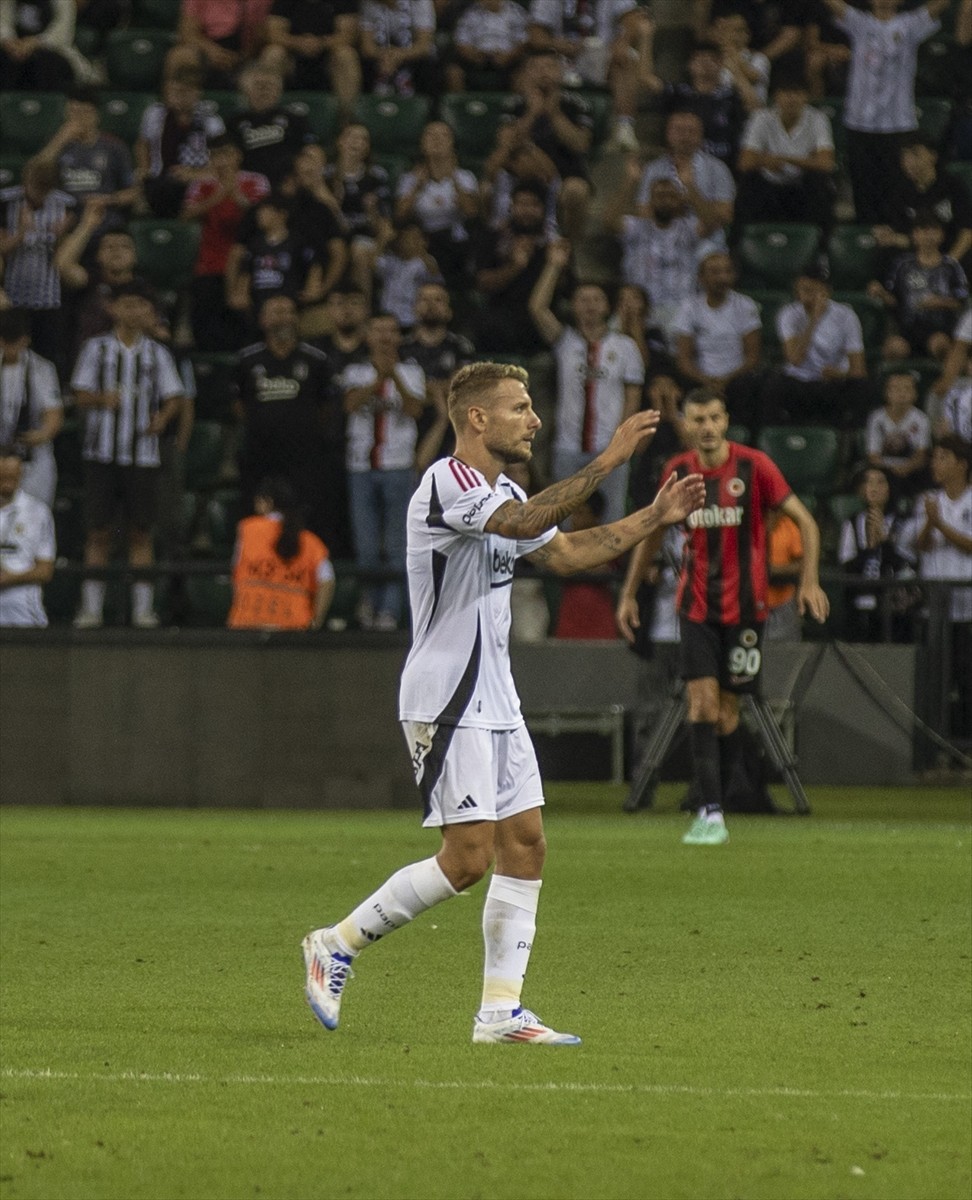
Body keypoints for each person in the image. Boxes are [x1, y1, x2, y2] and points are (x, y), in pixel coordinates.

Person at [301, 360, 706, 1042]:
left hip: (497, 696)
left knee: (526, 844)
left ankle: (499, 1012)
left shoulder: (501, 487)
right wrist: (608, 459)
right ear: (478, 419)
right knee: (465, 859)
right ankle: (337, 943)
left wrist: (656, 516)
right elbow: (521, 526)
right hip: (447, 694)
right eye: (520, 407)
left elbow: (570, 552)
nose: (535, 419)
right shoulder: (447, 483)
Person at [616, 388, 829, 845]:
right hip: (695, 608)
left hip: (748, 612)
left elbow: (807, 523)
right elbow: (653, 532)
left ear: (726, 420)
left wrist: (808, 582)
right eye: (698, 419)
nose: (707, 427)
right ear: (688, 424)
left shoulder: (755, 467)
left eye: (714, 417)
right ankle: (711, 812)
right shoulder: (678, 472)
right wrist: (630, 593)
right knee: (702, 704)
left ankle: (733, 794)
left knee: (728, 711)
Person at [70, 283, 187, 630]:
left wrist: (163, 418)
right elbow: (79, 394)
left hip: (143, 456)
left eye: (141, 305)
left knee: (141, 533)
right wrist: (101, 400)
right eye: (128, 304)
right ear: (114, 309)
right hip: (102, 454)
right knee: (98, 533)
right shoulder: (96, 349)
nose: (134, 311)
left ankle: (143, 610)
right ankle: (91, 609)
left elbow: (175, 396)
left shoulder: (157, 353)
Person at [529, 240, 645, 524]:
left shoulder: (626, 346)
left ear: (608, 306)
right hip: (567, 447)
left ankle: (610, 570)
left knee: (612, 518)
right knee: (563, 521)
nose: (590, 306)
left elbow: (632, 398)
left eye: (596, 300)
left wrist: (621, 442)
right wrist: (554, 266)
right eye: (582, 300)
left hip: (609, 447)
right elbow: (537, 307)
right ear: (574, 306)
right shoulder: (565, 341)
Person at [820, 0, 949, 223]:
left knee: (897, 192)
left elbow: (938, 7)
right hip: (860, 122)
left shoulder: (910, 24)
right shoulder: (859, 22)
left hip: (898, 123)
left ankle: (895, 241)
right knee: (864, 191)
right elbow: (835, 6)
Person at [341, 313, 427, 631]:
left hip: (399, 465)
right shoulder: (355, 371)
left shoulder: (412, 372)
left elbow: (415, 409)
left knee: (396, 545)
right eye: (378, 331)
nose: (385, 337)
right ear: (368, 336)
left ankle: (389, 612)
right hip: (360, 466)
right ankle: (369, 605)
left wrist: (395, 378)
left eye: (391, 331)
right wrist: (378, 379)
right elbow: (350, 405)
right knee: (365, 545)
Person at [235, 294, 333, 547]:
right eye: (276, 311)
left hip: (303, 458)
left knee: (305, 517)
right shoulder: (247, 360)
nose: (283, 318)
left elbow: (326, 407)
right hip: (260, 456)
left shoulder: (316, 360)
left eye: (288, 311)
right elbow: (239, 406)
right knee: (258, 516)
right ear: (262, 320)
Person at [182, 135, 271, 352]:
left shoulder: (256, 180)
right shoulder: (203, 185)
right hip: (210, 265)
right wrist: (219, 195)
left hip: (247, 266)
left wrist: (236, 194)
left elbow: (263, 218)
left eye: (227, 154)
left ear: (238, 156)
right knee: (207, 323)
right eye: (216, 155)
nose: (222, 161)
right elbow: (186, 215)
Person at [604, 165, 709, 347]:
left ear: (679, 201)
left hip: (679, 307)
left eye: (671, 196)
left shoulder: (688, 228)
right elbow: (609, 220)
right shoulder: (636, 226)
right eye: (660, 196)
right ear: (650, 201)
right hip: (638, 307)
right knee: (611, 340)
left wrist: (690, 187)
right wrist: (630, 183)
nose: (665, 201)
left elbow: (712, 221)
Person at [526, 0, 649, 151]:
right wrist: (558, 44)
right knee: (531, 69)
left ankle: (624, 128)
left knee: (626, 59)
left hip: (600, 56)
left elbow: (632, 21)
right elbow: (535, 35)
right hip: (559, 58)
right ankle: (530, 131)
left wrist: (622, 42)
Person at [499, 49, 595, 241]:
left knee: (577, 191)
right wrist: (532, 114)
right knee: (487, 188)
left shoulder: (576, 104)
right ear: (526, 73)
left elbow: (580, 144)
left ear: (560, 71)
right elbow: (506, 146)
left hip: (566, 172)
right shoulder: (514, 105)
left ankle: (570, 247)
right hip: (522, 173)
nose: (543, 72)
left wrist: (555, 114)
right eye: (536, 67)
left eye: (549, 67)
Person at [761, 262, 869, 430]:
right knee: (771, 388)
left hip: (832, 381)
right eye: (803, 290)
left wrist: (840, 373)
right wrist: (814, 320)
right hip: (798, 380)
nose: (806, 297)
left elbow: (858, 369)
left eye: (812, 291)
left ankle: (846, 445)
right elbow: (795, 359)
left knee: (861, 389)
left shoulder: (846, 316)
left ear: (826, 292)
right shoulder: (788, 314)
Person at [911, 435, 972, 733]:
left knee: (966, 678)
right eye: (934, 457)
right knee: (936, 679)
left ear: (962, 465)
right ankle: (937, 744)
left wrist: (940, 525)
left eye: (943, 458)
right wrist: (929, 523)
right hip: (935, 606)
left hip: (967, 608)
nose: (936, 463)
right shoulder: (927, 500)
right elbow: (920, 546)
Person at [227, 476, 335, 631]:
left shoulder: (247, 529)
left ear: (267, 502)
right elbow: (327, 581)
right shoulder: (310, 541)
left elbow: (235, 571)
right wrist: (316, 622)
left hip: (248, 623)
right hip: (294, 628)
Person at [671, 252, 762, 430]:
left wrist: (725, 381)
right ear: (701, 278)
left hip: (737, 378)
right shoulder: (689, 307)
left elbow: (752, 356)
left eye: (727, 272)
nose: (722, 278)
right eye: (715, 272)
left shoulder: (745, 306)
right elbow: (683, 359)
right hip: (699, 378)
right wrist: (706, 380)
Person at [0, 158, 76, 370]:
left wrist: (62, 238)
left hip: (49, 294)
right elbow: (2, 249)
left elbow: (69, 256)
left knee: (47, 355)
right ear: (26, 181)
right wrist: (21, 234)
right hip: (14, 290)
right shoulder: (6, 202)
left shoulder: (67, 204)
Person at [736, 78, 837, 231]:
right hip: (770, 184)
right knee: (748, 182)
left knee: (819, 181)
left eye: (796, 93)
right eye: (786, 93)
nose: (791, 99)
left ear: (805, 97)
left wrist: (780, 159)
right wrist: (764, 162)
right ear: (776, 96)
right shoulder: (761, 118)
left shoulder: (817, 119)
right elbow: (745, 161)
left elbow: (826, 163)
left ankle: (822, 246)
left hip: (802, 184)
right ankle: (742, 244)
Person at [35, 86, 138, 233]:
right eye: (72, 113)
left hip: (104, 218)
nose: (77, 119)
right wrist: (59, 142)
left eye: (83, 113)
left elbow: (133, 193)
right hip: (64, 219)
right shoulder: (56, 145)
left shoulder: (114, 147)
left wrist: (108, 200)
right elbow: (35, 178)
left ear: (96, 115)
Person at [638, 32, 750, 167]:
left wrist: (735, 69)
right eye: (699, 59)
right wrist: (646, 37)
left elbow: (756, 108)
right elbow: (645, 79)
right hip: (684, 164)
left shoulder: (730, 96)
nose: (705, 63)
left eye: (712, 59)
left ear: (721, 64)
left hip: (722, 165)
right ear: (690, 64)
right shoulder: (680, 93)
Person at [868, 214, 969, 363]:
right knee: (893, 348)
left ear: (941, 235)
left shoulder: (951, 266)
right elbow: (894, 301)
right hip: (907, 330)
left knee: (941, 345)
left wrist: (939, 302)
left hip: (940, 330)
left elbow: (962, 302)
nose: (928, 235)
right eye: (922, 231)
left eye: (933, 230)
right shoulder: (902, 265)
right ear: (914, 235)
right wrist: (881, 293)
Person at [394, 122, 480, 287]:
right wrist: (416, 187)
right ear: (422, 143)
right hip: (423, 240)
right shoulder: (410, 178)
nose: (437, 140)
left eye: (443, 135)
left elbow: (472, 213)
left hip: (454, 242)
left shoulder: (464, 177)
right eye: (431, 135)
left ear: (452, 143)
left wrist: (454, 179)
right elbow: (399, 216)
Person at [838, 464, 916, 641]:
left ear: (890, 488)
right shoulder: (851, 523)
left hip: (897, 609)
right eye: (868, 482)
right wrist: (871, 547)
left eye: (880, 482)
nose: (873, 487)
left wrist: (885, 544)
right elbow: (847, 567)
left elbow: (908, 567)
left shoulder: (904, 522)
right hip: (860, 606)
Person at [135, 69, 225, 220]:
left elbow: (223, 155)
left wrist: (195, 174)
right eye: (175, 92)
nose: (179, 97)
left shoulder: (210, 120)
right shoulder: (155, 114)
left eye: (185, 92)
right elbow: (143, 144)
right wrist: (145, 169)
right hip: (161, 179)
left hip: (200, 178)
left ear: (197, 94)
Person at [635, 111, 736, 240]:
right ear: (668, 133)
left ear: (701, 135)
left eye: (692, 131)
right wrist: (677, 206)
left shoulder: (717, 168)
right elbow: (643, 212)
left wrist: (691, 192)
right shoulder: (653, 169)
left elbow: (726, 215)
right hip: (661, 236)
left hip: (705, 237)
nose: (686, 136)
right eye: (679, 130)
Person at [0, 308, 63, 508]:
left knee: (34, 516)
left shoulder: (42, 369)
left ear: (25, 340)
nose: (9, 348)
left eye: (15, 342)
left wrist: (43, 434)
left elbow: (53, 413)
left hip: (32, 458)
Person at [225, 63, 315, 188]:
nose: (264, 90)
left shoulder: (294, 118)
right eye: (259, 85)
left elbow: (311, 150)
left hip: (290, 183)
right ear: (246, 90)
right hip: (248, 185)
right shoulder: (234, 121)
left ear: (279, 90)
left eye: (270, 86)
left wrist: (299, 178)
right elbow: (227, 157)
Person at [263, 0, 361, 112]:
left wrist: (320, 43)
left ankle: (347, 117)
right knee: (273, 53)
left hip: (328, 60)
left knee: (346, 55)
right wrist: (299, 43)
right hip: (293, 59)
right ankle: (268, 115)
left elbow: (348, 36)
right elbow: (273, 34)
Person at [0, 444, 55, 629]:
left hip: (22, 608)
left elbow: (45, 570)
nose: (7, 481)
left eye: (12, 476)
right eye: (3, 476)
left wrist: (9, 578)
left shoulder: (38, 512)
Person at [865, 371, 932, 498]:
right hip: (883, 470)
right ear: (887, 393)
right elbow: (873, 455)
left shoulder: (921, 419)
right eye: (896, 388)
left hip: (910, 472)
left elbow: (921, 455)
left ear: (915, 394)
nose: (901, 393)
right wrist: (888, 471)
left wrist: (904, 469)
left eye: (907, 389)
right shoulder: (876, 418)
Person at [359, 0, 439, 97]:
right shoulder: (369, 3)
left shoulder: (420, 2)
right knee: (364, 64)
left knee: (428, 65)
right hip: (382, 57)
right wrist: (384, 56)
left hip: (414, 56)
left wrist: (399, 55)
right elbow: (367, 47)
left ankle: (428, 108)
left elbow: (424, 46)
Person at [447, 0, 530, 94]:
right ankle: (461, 107)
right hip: (477, 58)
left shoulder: (516, 12)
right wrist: (474, 55)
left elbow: (524, 41)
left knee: (524, 72)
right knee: (454, 72)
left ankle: (516, 106)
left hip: (508, 59)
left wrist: (509, 56)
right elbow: (461, 41)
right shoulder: (470, 12)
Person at [765, 509, 804, 641]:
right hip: (753, 604)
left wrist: (774, 570)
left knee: (788, 651)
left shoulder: (788, 526)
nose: (772, 515)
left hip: (784, 601)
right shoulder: (750, 526)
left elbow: (802, 564)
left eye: (775, 511)